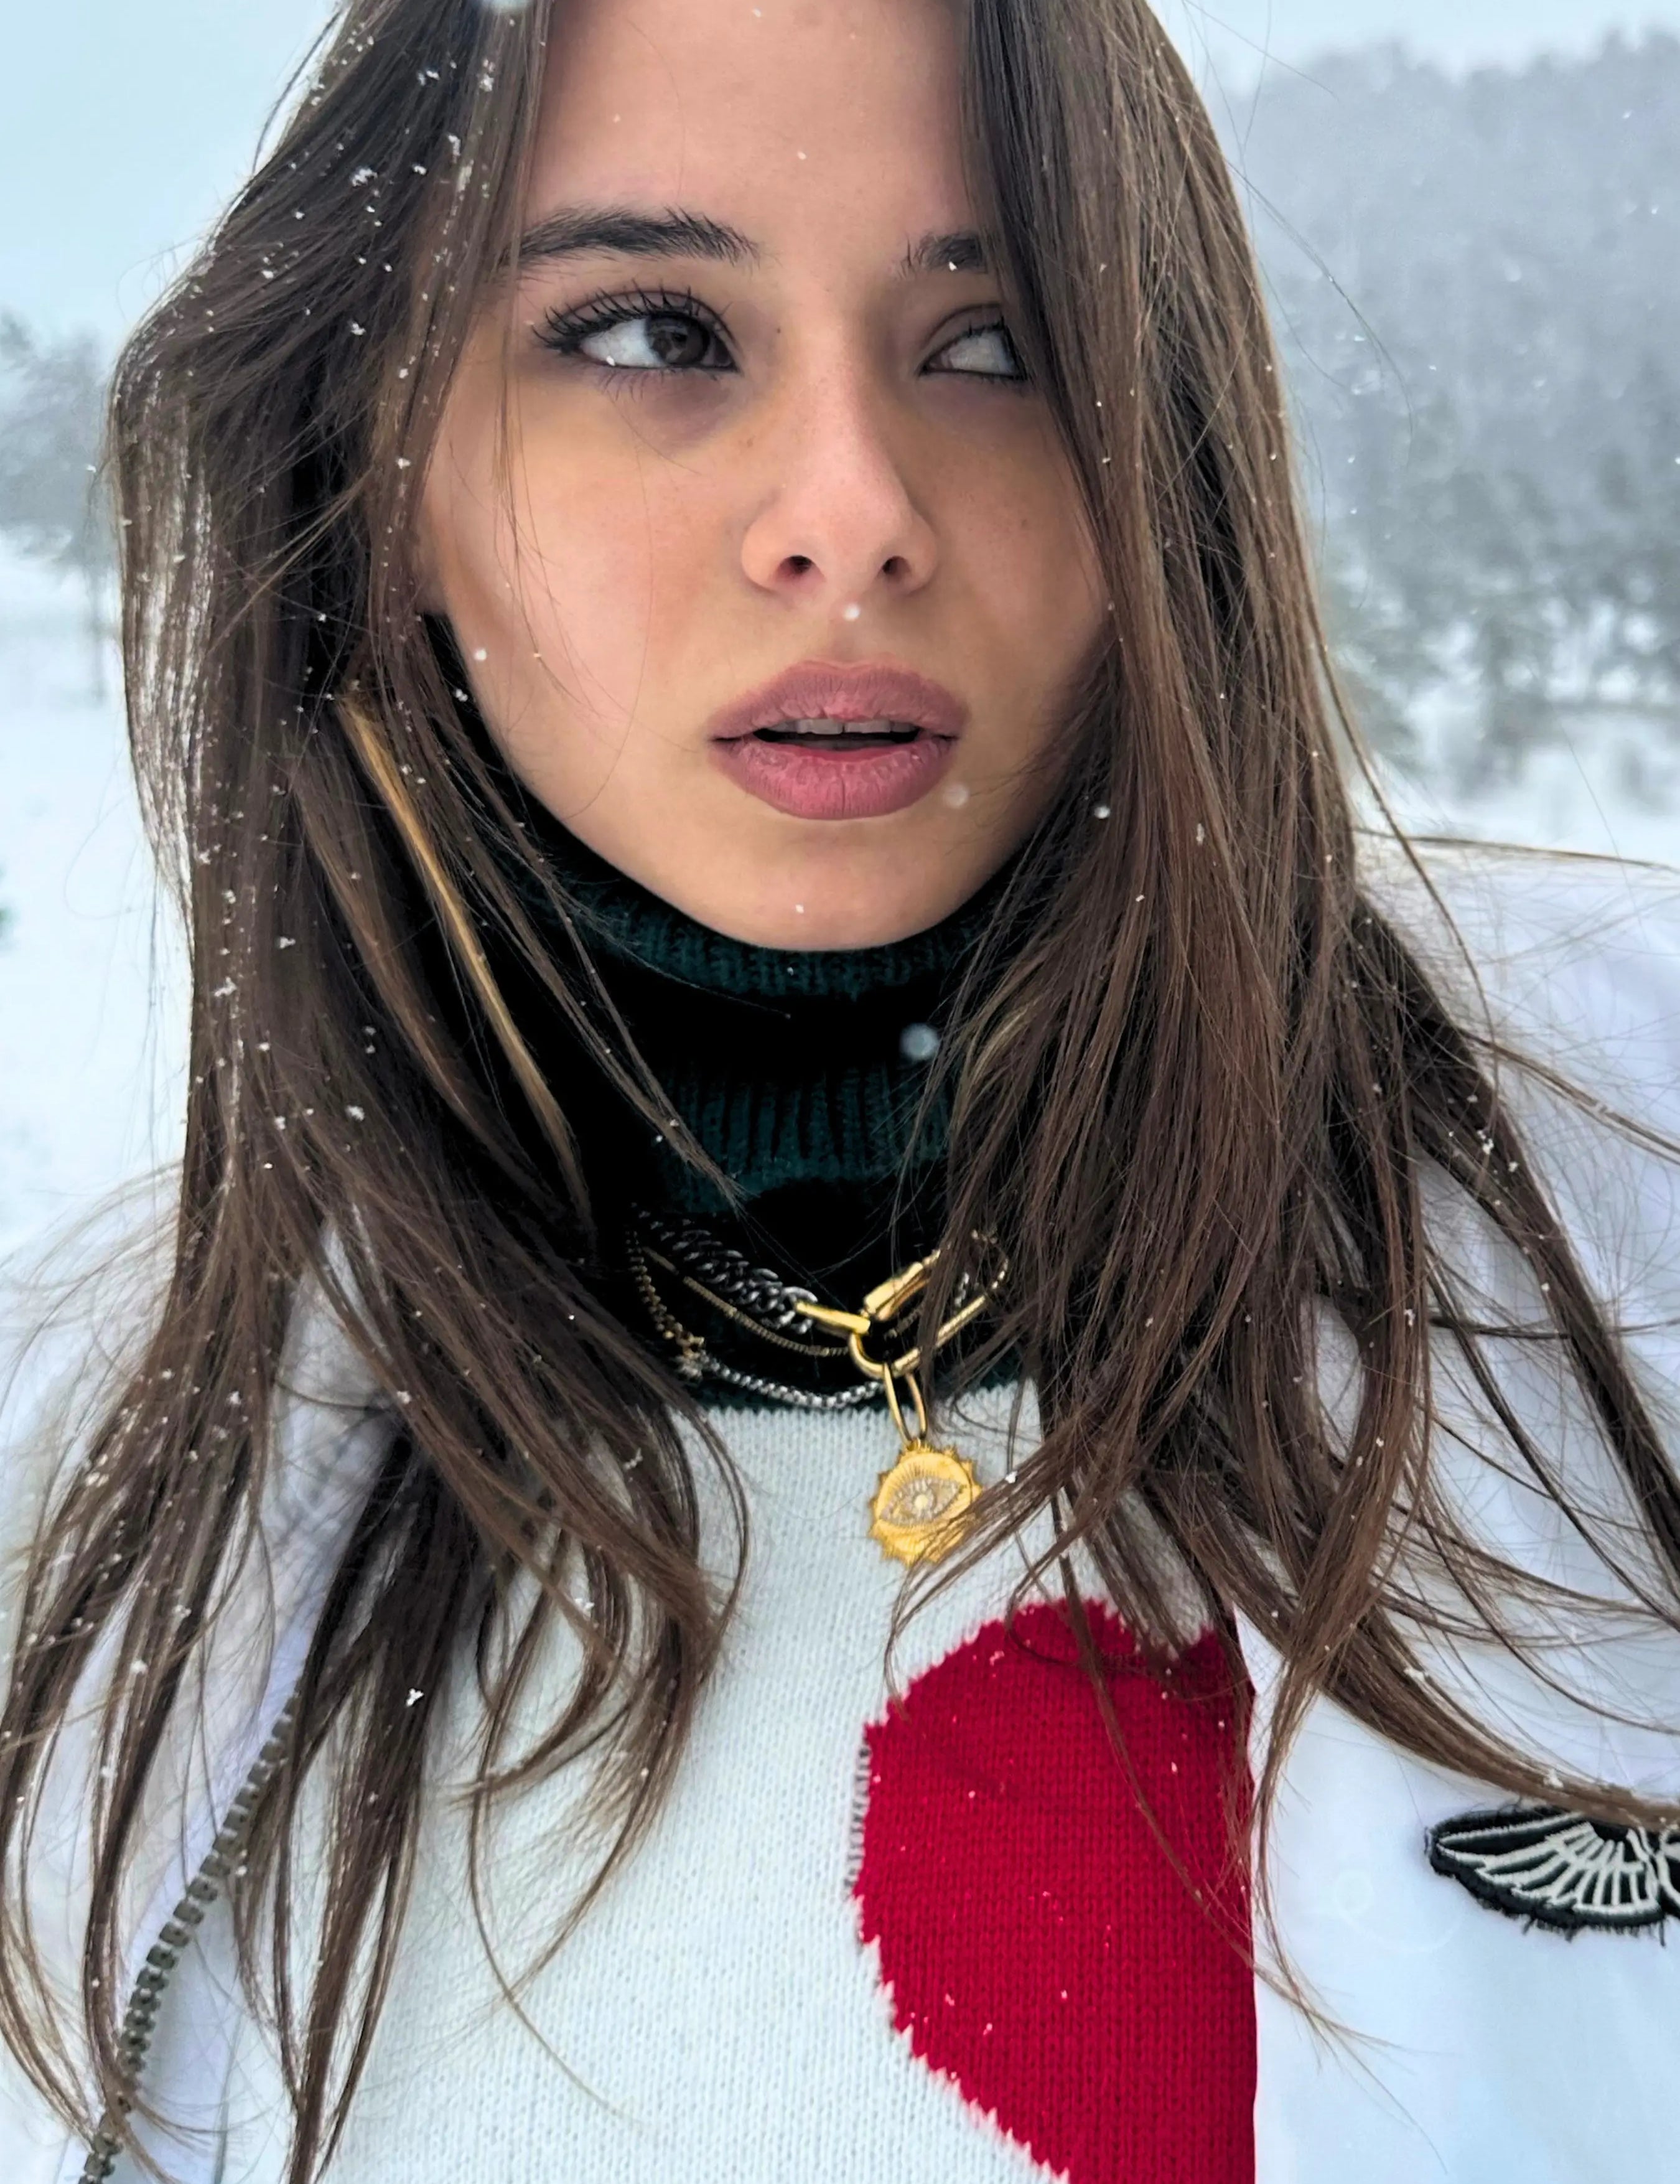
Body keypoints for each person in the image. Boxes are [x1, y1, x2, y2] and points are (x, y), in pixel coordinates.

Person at [3, 0, 1679, 2178]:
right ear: (378, 470)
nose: (852, 515)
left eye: (995, 346)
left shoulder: (1633, 1197)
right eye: (642, 333)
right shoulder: (86, 1467)